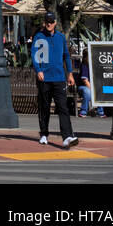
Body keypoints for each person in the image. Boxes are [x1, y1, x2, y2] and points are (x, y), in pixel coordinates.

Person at [31, 11, 78, 148]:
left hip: (59, 78)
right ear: (44, 22)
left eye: (51, 21)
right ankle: (44, 134)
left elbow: (66, 56)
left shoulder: (61, 37)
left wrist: (70, 73)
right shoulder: (38, 37)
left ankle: (67, 136)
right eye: (47, 21)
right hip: (44, 78)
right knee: (44, 107)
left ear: (55, 22)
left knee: (63, 107)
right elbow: (34, 55)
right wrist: (38, 70)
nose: (49, 24)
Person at [77, 47, 104, 118]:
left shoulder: (96, 66)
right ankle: (83, 111)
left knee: (100, 89)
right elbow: (85, 81)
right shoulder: (84, 65)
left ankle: (100, 111)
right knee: (87, 92)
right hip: (83, 87)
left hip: (93, 86)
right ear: (85, 58)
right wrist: (93, 90)